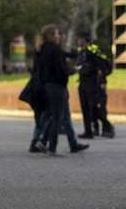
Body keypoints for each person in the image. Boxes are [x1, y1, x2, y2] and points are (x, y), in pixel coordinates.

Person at [34, 24, 89, 156]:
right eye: (58, 34)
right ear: (51, 35)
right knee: (56, 118)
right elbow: (61, 69)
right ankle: (51, 147)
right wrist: (74, 70)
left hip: (48, 86)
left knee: (55, 116)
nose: (60, 36)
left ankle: (44, 141)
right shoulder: (54, 49)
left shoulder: (43, 49)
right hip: (57, 86)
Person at [75, 35, 114, 139]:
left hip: (92, 84)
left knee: (94, 108)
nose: (79, 41)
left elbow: (101, 64)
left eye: (80, 39)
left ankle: (107, 126)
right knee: (85, 108)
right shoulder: (81, 52)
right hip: (82, 83)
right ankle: (88, 131)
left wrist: (102, 77)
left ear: (86, 41)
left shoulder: (92, 51)